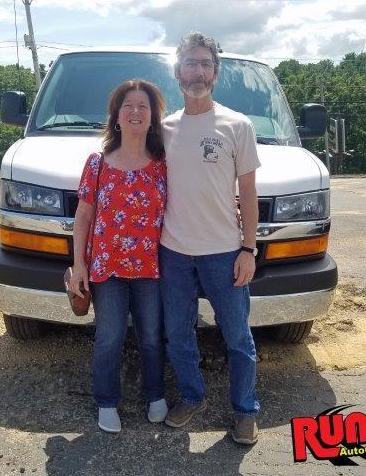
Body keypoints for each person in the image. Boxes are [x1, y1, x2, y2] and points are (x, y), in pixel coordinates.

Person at [159, 33, 261, 444]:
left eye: (204, 64)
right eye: (189, 63)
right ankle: (191, 395)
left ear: (215, 73)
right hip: (174, 252)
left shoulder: (237, 125)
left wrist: (249, 249)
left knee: (237, 336)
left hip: (224, 251)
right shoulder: (162, 129)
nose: (197, 71)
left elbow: (249, 193)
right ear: (178, 71)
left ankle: (244, 410)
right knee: (178, 333)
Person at [70, 80, 168, 433]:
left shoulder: (163, 165)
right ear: (116, 116)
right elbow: (83, 215)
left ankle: (155, 395)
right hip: (106, 268)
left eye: (144, 106)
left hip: (151, 268)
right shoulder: (96, 163)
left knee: (153, 336)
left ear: (154, 117)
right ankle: (106, 401)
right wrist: (79, 264)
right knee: (109, 336)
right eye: (128, 105)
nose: (136, 112)